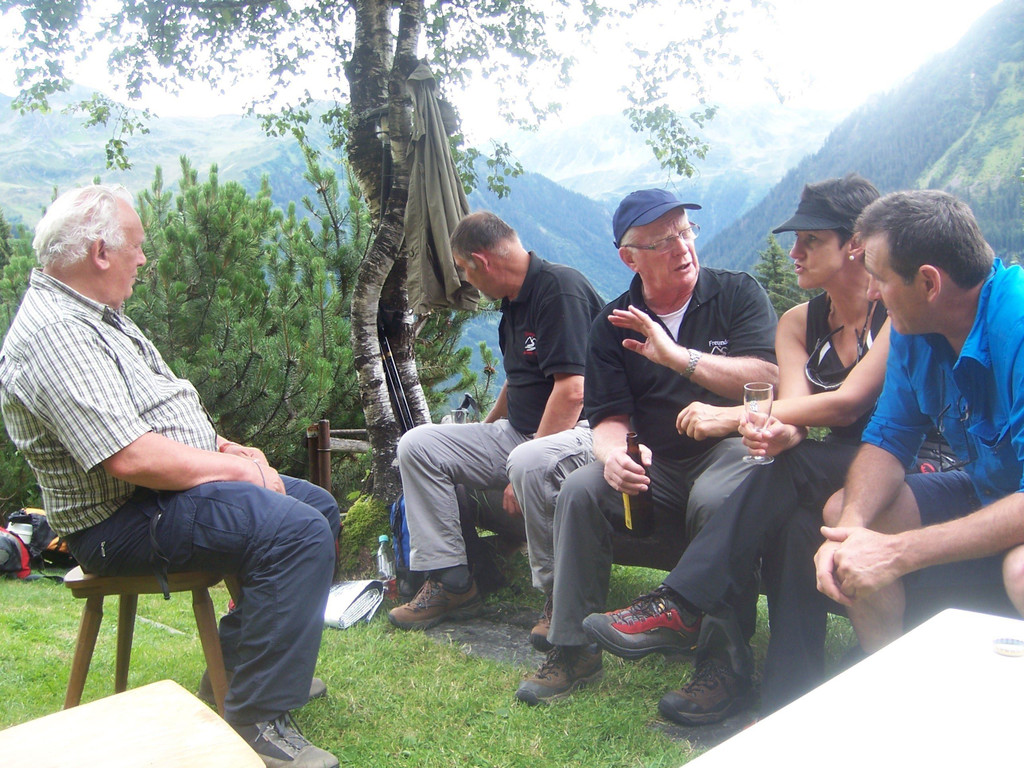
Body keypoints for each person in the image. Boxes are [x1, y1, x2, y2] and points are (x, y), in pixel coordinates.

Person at [0, 185, 341, 768]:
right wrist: (236, 470)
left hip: (157, 495)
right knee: (298, 533)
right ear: (100, 252)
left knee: (318, 509)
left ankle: (240, 669)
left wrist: (224, 447)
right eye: (136, 246)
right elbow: (130, 458)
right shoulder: (55, 333)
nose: (143, 259)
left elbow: (158, 409)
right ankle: (255, 721)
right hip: (120, 520)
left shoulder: (97, 316)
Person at [582, 174, 888, 721]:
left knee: (787, 471)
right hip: (841, 464)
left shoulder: (893, 310)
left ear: (855, 244)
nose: (793, 253)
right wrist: (780, 431)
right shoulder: (800, 321)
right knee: (795, 526)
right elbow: (793, 410)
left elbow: (846, 405)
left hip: (904, 461)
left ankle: (681, 602)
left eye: (810, 240)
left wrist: (728, 417)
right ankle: (789, 696)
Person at [514, 188, 779, 705]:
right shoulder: (611, 324)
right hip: (656, 464)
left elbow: (769, 378)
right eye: (662, 242)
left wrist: (679, 356)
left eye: (685, 232)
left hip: (732, 446)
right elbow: (609, 418)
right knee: (581, 490)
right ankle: (573, 648)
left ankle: (722, 665)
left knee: (715, 500)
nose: (682, 248)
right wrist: (614, 457)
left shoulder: (736, 294)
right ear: (629, 258)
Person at [815, 189, 1024, 652]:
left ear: (929, 283)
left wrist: (896, 553)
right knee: (846, 515)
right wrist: (849, 530)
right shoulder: (915, 329)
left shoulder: (1018, 327)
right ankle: (888, 673)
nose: (870, 292)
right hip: (990, 488)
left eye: (879, 278)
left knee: (1021, 571)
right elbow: (888, 439)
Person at [387, 211, 604, 641]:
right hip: (522, 434)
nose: (466, 280)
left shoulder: (559, 290)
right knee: (418, 445)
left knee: (529, 463)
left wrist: (522, 461)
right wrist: (482, 431)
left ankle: (560, 597)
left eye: (464, 269)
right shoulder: (513, 303)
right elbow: (516, 378)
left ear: (481, 261)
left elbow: (573, 390)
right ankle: (452, 581)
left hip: (581, 433)